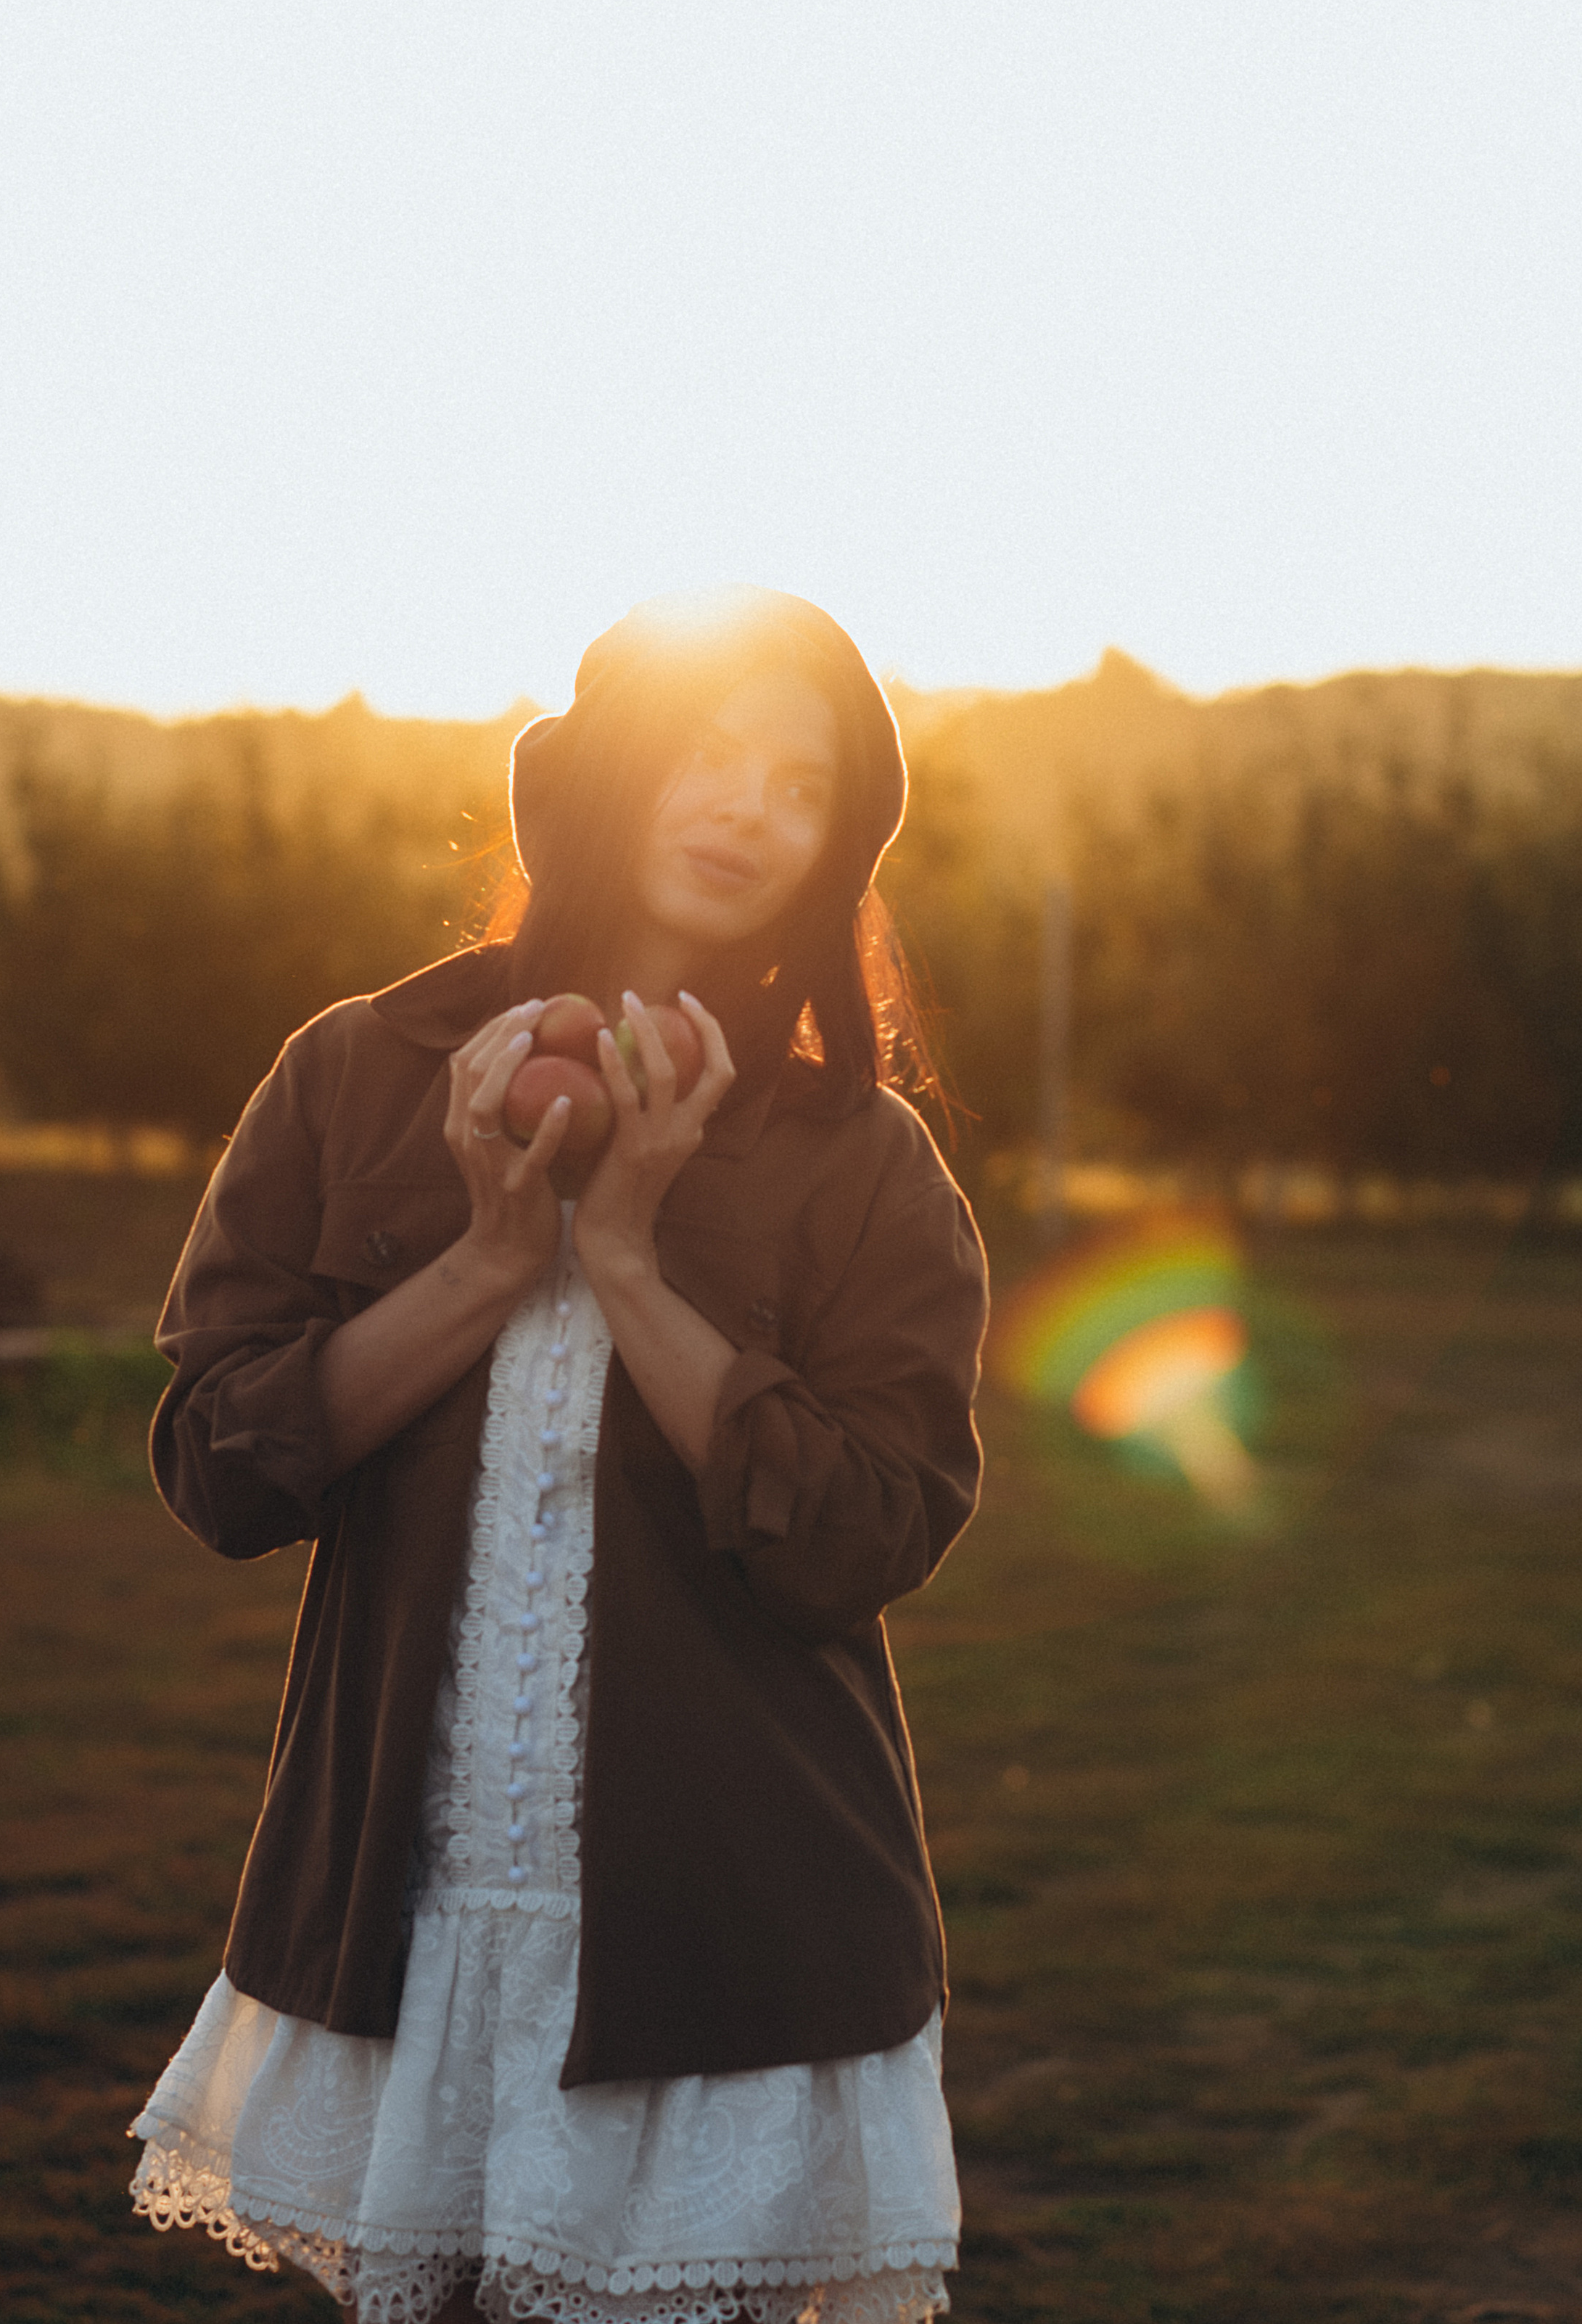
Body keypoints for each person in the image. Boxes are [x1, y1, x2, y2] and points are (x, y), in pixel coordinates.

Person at [128, 588, 988, 2324]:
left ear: (837, 850)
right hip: (411, 1923)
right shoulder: (360, 1073)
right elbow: (220, 1464)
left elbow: (865, 1533)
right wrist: (486, 1265)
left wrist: (627, 1268)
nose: (747, 804)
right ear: (602, 771)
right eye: (706, 751)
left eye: (798, 784)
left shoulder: (859, 1159)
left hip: (732, 1949)